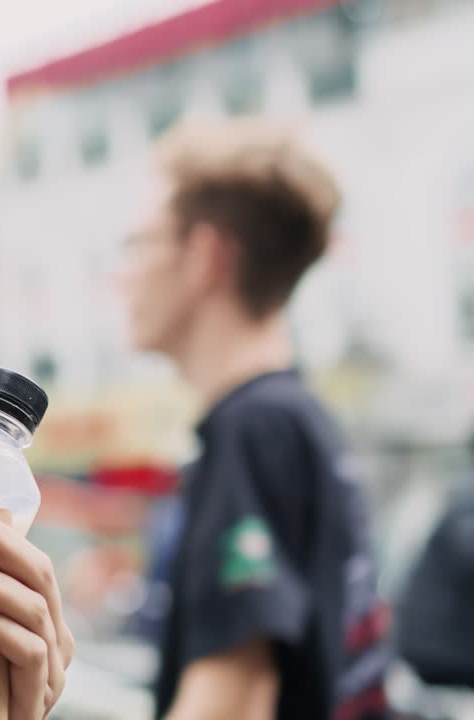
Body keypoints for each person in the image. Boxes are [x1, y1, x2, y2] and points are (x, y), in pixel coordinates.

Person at [120, 119, 391, 720]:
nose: (124, 273)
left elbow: (234, 702)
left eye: (139, 243)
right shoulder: (296, 418)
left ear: (205, 256)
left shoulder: (254, 428)